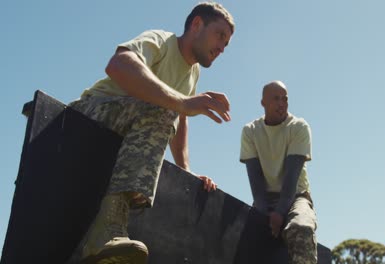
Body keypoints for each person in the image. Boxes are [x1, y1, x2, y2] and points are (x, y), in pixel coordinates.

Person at [69, 2, 235, 263]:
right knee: (165, 106)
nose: (223, 47)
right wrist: (181, 102)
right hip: (87, 118)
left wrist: (185, 170)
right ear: (197, 24)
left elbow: (179, 117)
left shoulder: (193, 73)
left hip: (125, 132)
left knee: (167, 108)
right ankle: (106, 231)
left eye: (227, 43)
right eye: (220, 35)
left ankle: (106, 238)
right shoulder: (162, 40)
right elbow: (119, 64)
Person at [239, 81, 318, 264]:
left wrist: (280, 212)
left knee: (301, 227)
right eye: (276, 99)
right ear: (263, 103)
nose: (282, 103)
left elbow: (291, 178)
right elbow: (256, 182)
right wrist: (263, 214)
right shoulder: (250, 131)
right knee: (245, 234)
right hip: (265, 198)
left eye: (285, 99)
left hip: (296, 196)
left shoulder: (298, 127)